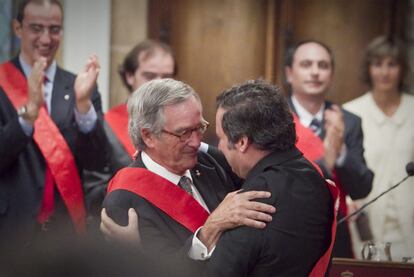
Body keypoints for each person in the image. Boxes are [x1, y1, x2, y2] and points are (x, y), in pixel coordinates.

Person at [102, 78, 276, 274]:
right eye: (184, 133)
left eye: (199, 128)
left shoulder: (210, 162)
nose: (195, 142)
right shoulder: (124, 201)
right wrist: (209, 231)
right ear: (148, 136)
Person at [0, 0, 108, 242]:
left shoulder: (79, 85)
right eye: (36, 28)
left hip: (65, 230)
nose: (46, 39)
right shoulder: (1, 82)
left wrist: (82, 107)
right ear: (18, 28)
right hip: (11, 229)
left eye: (54, 29)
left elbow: (99, 160)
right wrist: (28, 115)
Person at [203, 79, 335, 276]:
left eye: (220, 138)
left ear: (241, 142)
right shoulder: (314, 177)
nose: (219, 147)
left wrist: (209, 228)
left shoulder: (252, 203)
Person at [284, 40, 374, 258]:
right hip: (285, 232)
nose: (315, 72)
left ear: (331, 74)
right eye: (306, 64)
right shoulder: (275, 118)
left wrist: (340, 149)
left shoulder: (349, 122)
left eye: (323, 66)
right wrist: (326, 158)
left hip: (335, 232)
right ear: (289, 73)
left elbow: (362, 188)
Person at [84, 40, 176, 217]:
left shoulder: (182, 127)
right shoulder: (105, 126)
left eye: (167, 76)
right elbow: (93, 196)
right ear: (129, 76)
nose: (159, 84)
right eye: (149, 76)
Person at [344, 36, 414, 261]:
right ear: (369, 69)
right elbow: (343, 168)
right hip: (367, 221)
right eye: (378, 64)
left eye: (392, 64)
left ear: (402, 69)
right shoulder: (351, 113)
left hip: (410, 222)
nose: (384, 72)